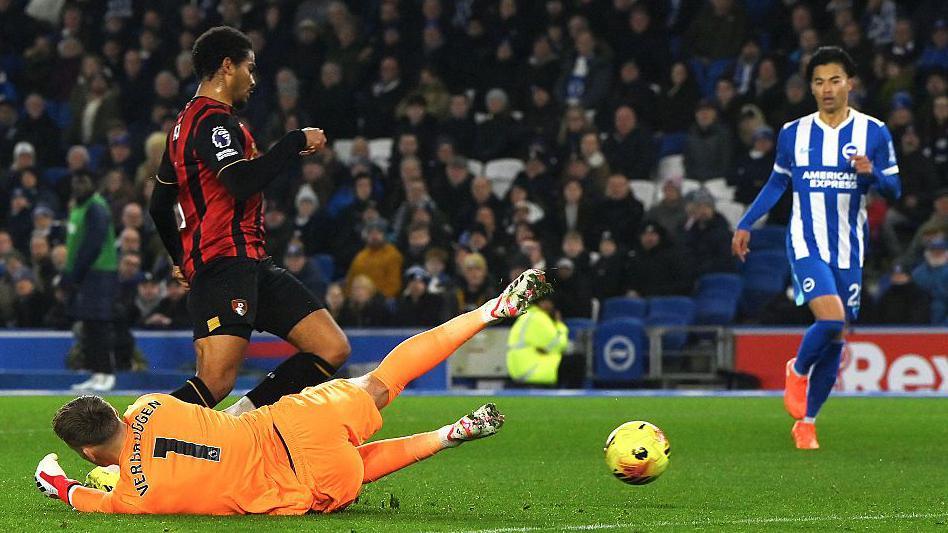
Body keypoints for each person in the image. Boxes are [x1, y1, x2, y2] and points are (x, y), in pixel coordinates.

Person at [34, 270, 551, 515]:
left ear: (88, 452)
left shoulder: (132, 497)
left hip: (293, 484)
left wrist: (57, 479)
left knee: (357, 467)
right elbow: (161, 426)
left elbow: (70, 491)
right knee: (383, 381)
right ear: (115, 414)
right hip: (292, 423)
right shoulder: (150, 406)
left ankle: (446, 435)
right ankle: (489, 311)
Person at [147, 27, 350, 415]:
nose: (253, 80)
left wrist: (180, 259)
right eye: (249, 68)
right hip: (224, 262)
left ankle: (239, 420)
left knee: (330, 347)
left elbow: (160, 205)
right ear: (228, 66)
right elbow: (240, 182)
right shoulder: (212, 122)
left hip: (251, 263)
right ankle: (130, 439)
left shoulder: (181, 127)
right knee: (215, 381)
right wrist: (294, 141)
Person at [732, 47, 901, 449]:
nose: (827, 89)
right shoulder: (794, 132)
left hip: (849, 247)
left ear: (850, 84)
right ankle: (797, 369)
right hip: (806, 241)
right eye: (819, 82)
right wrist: (746, 222)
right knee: (831, 320)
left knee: (837, 338)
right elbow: (778, 182)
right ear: (811, 87)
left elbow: (894, 188)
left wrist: (872, 174)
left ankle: (807, 422)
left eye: (835, 80)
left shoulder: (874, 132)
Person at [63, 171, 119, 392]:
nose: (78, 186)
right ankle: (97, 373)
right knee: (89, 324)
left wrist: (75, 273)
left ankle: (107, 373)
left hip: (99, 272)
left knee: (99, 324)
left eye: (82, 182)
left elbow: (92, 244)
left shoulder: (95, 207)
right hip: (88, 273)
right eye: (76, 182)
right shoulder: (80, 208)